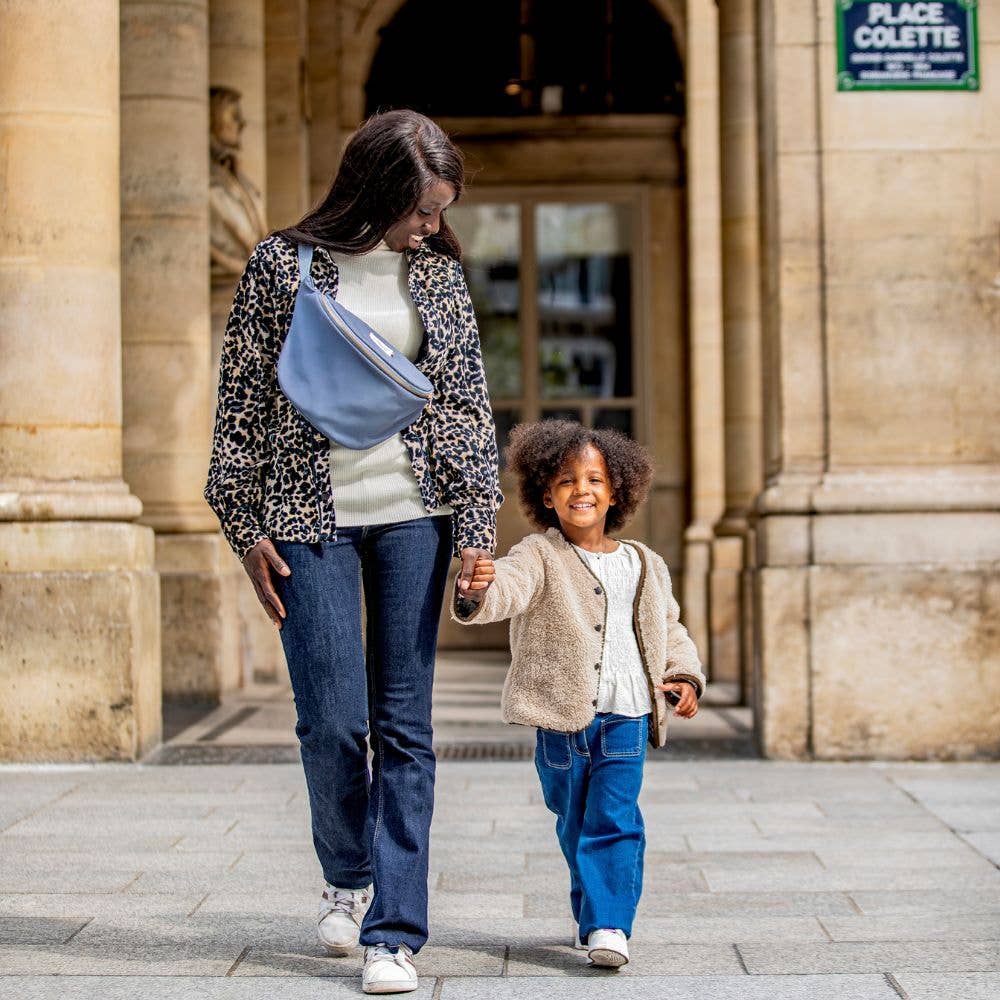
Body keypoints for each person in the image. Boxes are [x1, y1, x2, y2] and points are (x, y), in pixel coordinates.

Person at [205, 109, 501, 995]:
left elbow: (467, 405)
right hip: (304, 516)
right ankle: (345, 875)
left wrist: (476, 534)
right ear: (375, 192)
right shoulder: (279, 266)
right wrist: (241, 522)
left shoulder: (440, 276)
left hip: (416, 516)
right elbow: (241, 406)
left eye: (440, 211)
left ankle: (394, 933)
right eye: (420, 211)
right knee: (331, 719)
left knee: (405, 726)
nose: (431, 227)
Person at [451, 420, 705, 968]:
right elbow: (509, 587)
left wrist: (684, 675)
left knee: (613, 818)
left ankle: (610, 925)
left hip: (629, 713)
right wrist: (478, 590)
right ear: (547, 494)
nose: (581, 489)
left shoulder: (644, 563)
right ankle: (591, 906)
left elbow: (671, 627)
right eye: (566, 480)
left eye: (594, 479)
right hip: (561, 722)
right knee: (574, 822)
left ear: (616, 492)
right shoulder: (538, 555)